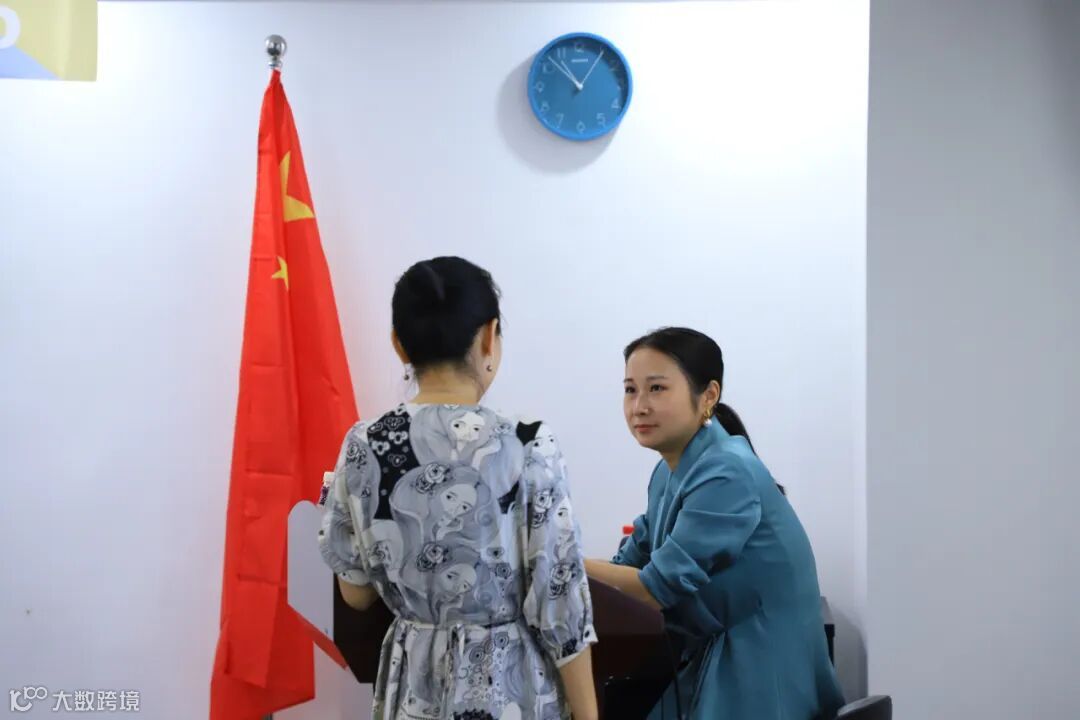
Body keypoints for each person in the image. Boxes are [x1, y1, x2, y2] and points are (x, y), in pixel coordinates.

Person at [318, 256, 598, 720]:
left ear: (399, 345)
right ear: (489, 336)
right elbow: (560, 603)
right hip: (509, 689)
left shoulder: (364, 443)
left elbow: (356, 593)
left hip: (413, 685)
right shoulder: (527, 443)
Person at [584, 327, 844, 719]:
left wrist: (562, 564)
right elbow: (629, 563)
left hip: (758, 677)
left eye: (656, 389)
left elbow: (654, 588)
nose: (639, 406)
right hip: (709, 661)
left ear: (708, 396)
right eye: (630, 390)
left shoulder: (726, 471)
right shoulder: (668, 472)